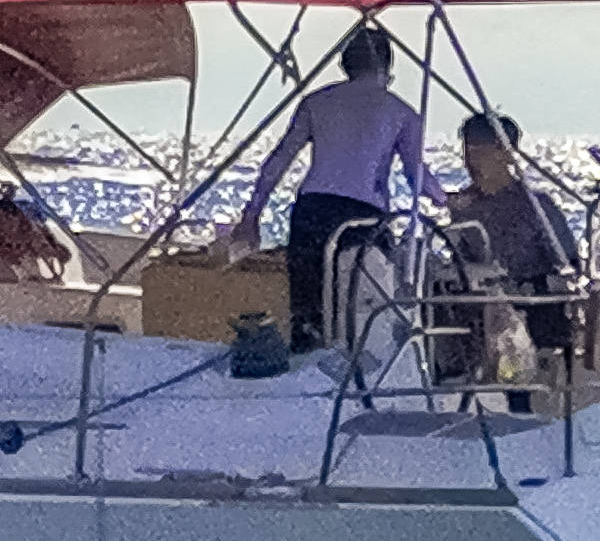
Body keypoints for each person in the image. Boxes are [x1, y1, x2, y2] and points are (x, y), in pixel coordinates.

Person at [231, 26, 435, 352]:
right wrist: (447, 201)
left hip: (313, 209)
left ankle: (305, 363)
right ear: (387, 67)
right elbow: (417, 176)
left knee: (308, 309)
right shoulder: (401, 112)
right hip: (364, 216)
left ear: (345, 65)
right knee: (366, 306)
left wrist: (252, 214)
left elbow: (279, 160)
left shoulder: (316, 102)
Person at [440, 112, 580, 369]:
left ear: (505, 153)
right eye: (468, 152)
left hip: (531, 312)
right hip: (478, 312)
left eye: (480, 152)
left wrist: (527, 287)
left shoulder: (538, 206)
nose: (472, 161)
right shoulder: (464, 208)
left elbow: (569, 267)